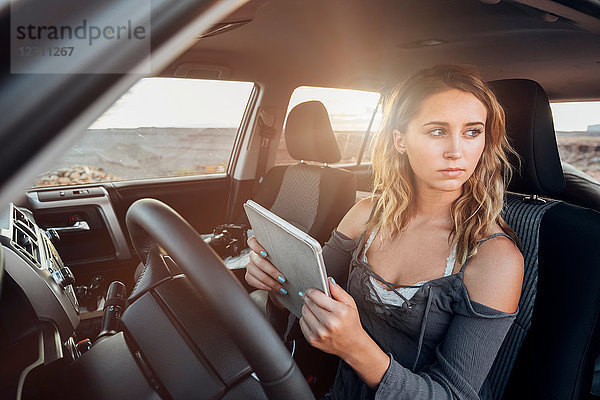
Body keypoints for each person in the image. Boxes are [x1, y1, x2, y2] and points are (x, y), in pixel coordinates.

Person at [245, 64, 524, 399]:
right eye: (437, 131)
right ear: (400, 140)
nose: (456, 151)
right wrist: (276, 285)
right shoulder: (365, 216)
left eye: (472, 132)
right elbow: (311, 296)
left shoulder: (495, 258)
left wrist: (355, 348)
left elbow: (455, 395)